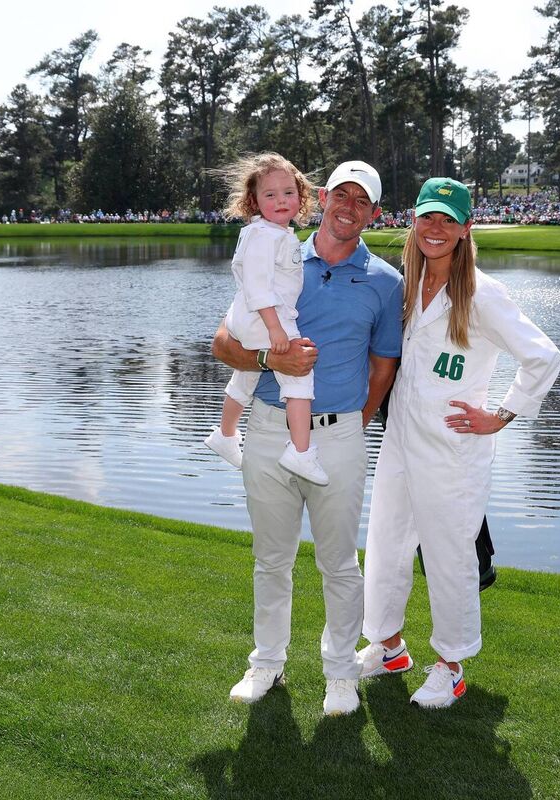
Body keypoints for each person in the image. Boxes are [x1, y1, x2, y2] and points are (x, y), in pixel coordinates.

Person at [357, 178, 560, 709]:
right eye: (428, 217)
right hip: (400, 437)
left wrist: (502, 414)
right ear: (414, 223)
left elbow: (544, 357)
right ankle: (388, 644)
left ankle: (451, 664)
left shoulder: (483, 293)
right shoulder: (404, 286)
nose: (437, 229)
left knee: (449, 557)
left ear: (467, 228)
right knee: (385, 544)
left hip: (452, 449)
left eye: (449, 220)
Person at [211, 161, 403, 716]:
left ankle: (340, 673)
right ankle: (266, 663)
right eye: (339, 193)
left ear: (373, 212)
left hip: (341, 436)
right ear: (321, 198)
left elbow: (383, 366)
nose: (348, 205)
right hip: (270, 428)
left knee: (340, 564)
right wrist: (273, 356)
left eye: (360, 200)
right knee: (272, 560)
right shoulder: (279, 252)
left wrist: (355, 423)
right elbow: (224, 344)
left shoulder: (386, 282)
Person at [204, 153, 328, 485]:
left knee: (246, 374)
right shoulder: (263, 235)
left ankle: (225, 435)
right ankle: (300, 452)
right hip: (264, 317)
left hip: (249, 316)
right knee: (299, 374)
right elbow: (259, 286)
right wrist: (276, 329)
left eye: (288, 192)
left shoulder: (276, 233)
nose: (280, 200)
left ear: (300, 196)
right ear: (254, 201)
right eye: (269, 195)